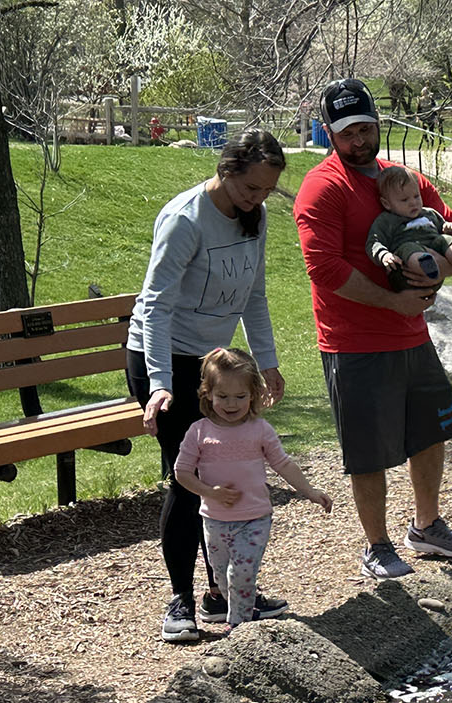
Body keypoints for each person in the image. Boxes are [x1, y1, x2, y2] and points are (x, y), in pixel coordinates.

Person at [293, 78, 452, 581]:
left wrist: (442, 272)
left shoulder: (403, 181)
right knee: (368, 448)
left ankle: (426, 527)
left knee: (430, 432)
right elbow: (324, 269)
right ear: (330, 133)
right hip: (353, 341)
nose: (359, 140)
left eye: (366, 128)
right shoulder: (322, 187)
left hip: (412, 336)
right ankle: (376, 545)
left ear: (379, 124)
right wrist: (394, 301)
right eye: (348, 131)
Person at [126, 128, 289, 643]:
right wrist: (156, 385)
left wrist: (267, 363)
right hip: (162, 359)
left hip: (211, 364)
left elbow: (255, 297)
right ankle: (181, 600)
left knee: (227, 468)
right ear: (225, 171)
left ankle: (224, 593)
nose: (257, 200)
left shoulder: (253, 219)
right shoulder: (185, 219)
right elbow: (155, 307)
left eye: (266, 191)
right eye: (249, 189)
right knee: (187, 475)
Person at [174, 348, 332, 628]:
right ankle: (245, 612)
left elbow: (283, 464)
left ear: (254, 395)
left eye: (240, 396)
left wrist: (309, 491)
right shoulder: (199, 432)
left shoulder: (260, 430)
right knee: (222, 579)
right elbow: (182, 472)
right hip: (215, 520)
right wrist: (210, 492)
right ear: (208, 393)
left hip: (255, 518)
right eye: (223, 396)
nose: (231, 404)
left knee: (242, 574)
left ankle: (238, 628)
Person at [367, 165, 452, 290]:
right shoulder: (387, 220)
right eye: (404, 200)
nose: (413, 202)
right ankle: (426, 266)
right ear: (386, 204)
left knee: (445, 239)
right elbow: (374, 242)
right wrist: (383, 255)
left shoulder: (429, 213)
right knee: (408, 248)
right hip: (408, 255)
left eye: (416, 196)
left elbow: (443, 228)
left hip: (434, 244)